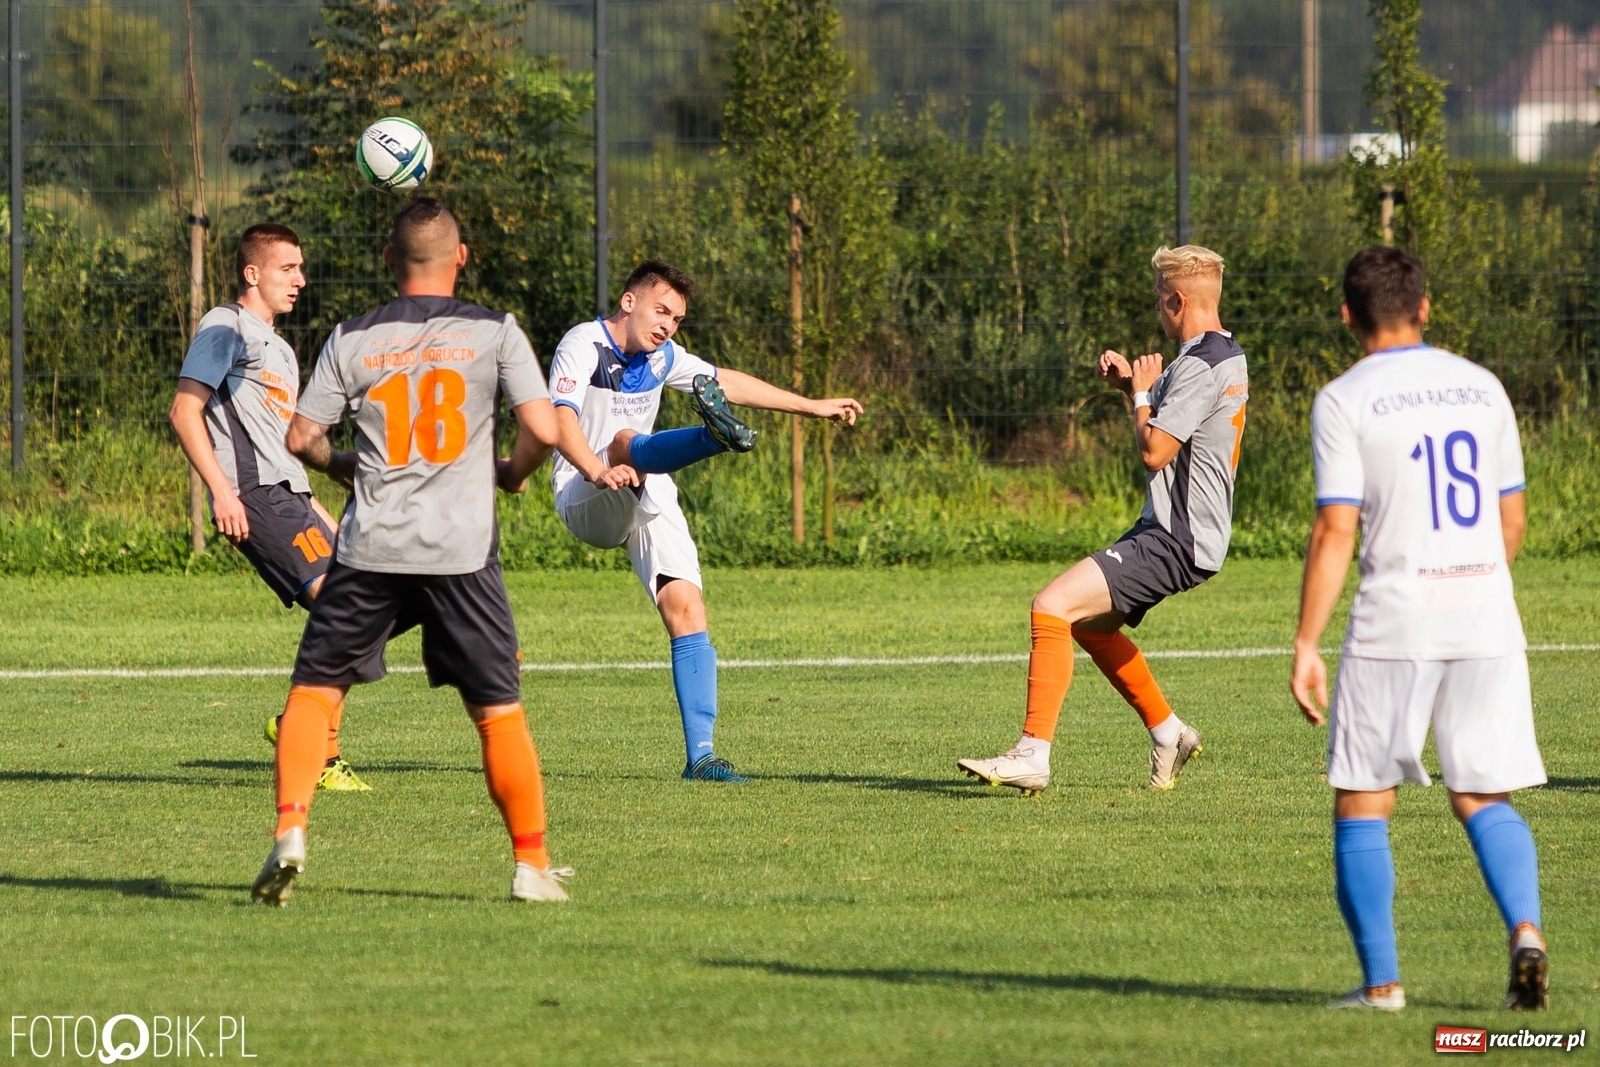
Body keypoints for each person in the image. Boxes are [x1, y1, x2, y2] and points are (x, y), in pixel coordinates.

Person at [251, 197, 567, 906]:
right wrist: (511, 475)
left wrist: (347, 466)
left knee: (314, 688)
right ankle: (531, 866)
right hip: (461, 550)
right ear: (462, 256)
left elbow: (300, 438)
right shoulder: (497, 332)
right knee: (497, 711)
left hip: (371, 545)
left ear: (389, 262)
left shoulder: (353, 336)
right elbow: (542, 430)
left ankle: (291, 828)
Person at [1291, 246, 1548, 1012]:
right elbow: (1513, 520)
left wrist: (1307, 642)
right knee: (1483, 793)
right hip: (1486, 613)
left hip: (1395, 619)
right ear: (1425, 307)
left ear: (1347, 316)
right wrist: (1469, 577)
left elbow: (1336, 528)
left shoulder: (1343, 399)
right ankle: (1526, 929)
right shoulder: (1483, 387)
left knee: (1364, 799)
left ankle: (1383, 986)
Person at [548, 259, 862, 782]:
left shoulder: (664, 355)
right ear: (629, 302)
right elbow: (561, 421)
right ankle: (708, 440)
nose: (668, 324)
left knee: (686, 606)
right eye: (661, 310)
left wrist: (811, 407)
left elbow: (727, 382)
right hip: (585, 493)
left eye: (677, 319)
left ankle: (703, 758)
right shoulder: (584, 342)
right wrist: (597, 470)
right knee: (626, 440)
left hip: (643, 484)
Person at [958, 245, 1247, 793]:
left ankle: (1032, 755)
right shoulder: (1224, 355)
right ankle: (1170, 733)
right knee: (1091, 626)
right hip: (1183, 532)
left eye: (1159, 304)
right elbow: (1171, 417)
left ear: (1177, 299)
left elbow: (1154, 449)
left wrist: (1140, 393)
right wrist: (1129, 388)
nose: (1157, 314)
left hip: (1175, 536)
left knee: (1051, 606)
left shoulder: (1197, 364)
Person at [168, 223, 369, 792]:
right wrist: (222, 490)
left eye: (302, 269)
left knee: (361, 609)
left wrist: (325, 513)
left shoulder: (278, 348)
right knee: (343, 610)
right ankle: (316, 753)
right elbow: (185, 411)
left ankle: (299, 733)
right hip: (256, 496)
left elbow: (279, 445)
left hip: (288, 497)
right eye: (289, 269)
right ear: (252, 273)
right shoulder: (225, 326)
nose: (300, 280)